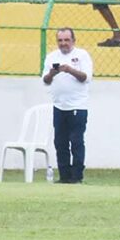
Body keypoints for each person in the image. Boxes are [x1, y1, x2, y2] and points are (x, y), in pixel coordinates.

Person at [42, 28, 92, 184]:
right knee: (60, 142)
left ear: (73, 41)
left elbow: (86, 78)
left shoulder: (82, 55)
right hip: (59, 106)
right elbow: (45, 80)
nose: (63, 43)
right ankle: (64, 175)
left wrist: (70, 70)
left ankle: (77, 176)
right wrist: (52, 73)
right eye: (60, 40)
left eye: (66, 40)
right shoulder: (51, 57)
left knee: (76, 141)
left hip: (78, 106)